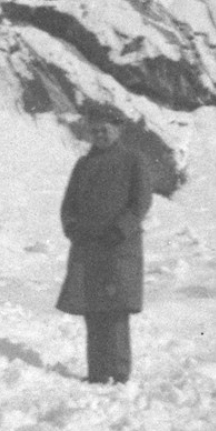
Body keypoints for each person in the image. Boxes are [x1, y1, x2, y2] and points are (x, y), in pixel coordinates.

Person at [57, 104, 154, 384]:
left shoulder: (133, 161)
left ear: (118, 129)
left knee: (116, 313)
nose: (100, 134)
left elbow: (141, 203)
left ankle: (119, 375)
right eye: (95, 130)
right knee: (93, 311)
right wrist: (72, 227)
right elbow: (69, 205)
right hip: (88, 250)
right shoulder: (84, 165)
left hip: (119, 249)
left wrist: (120, 230)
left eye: (105, 129)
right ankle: (97, 374)